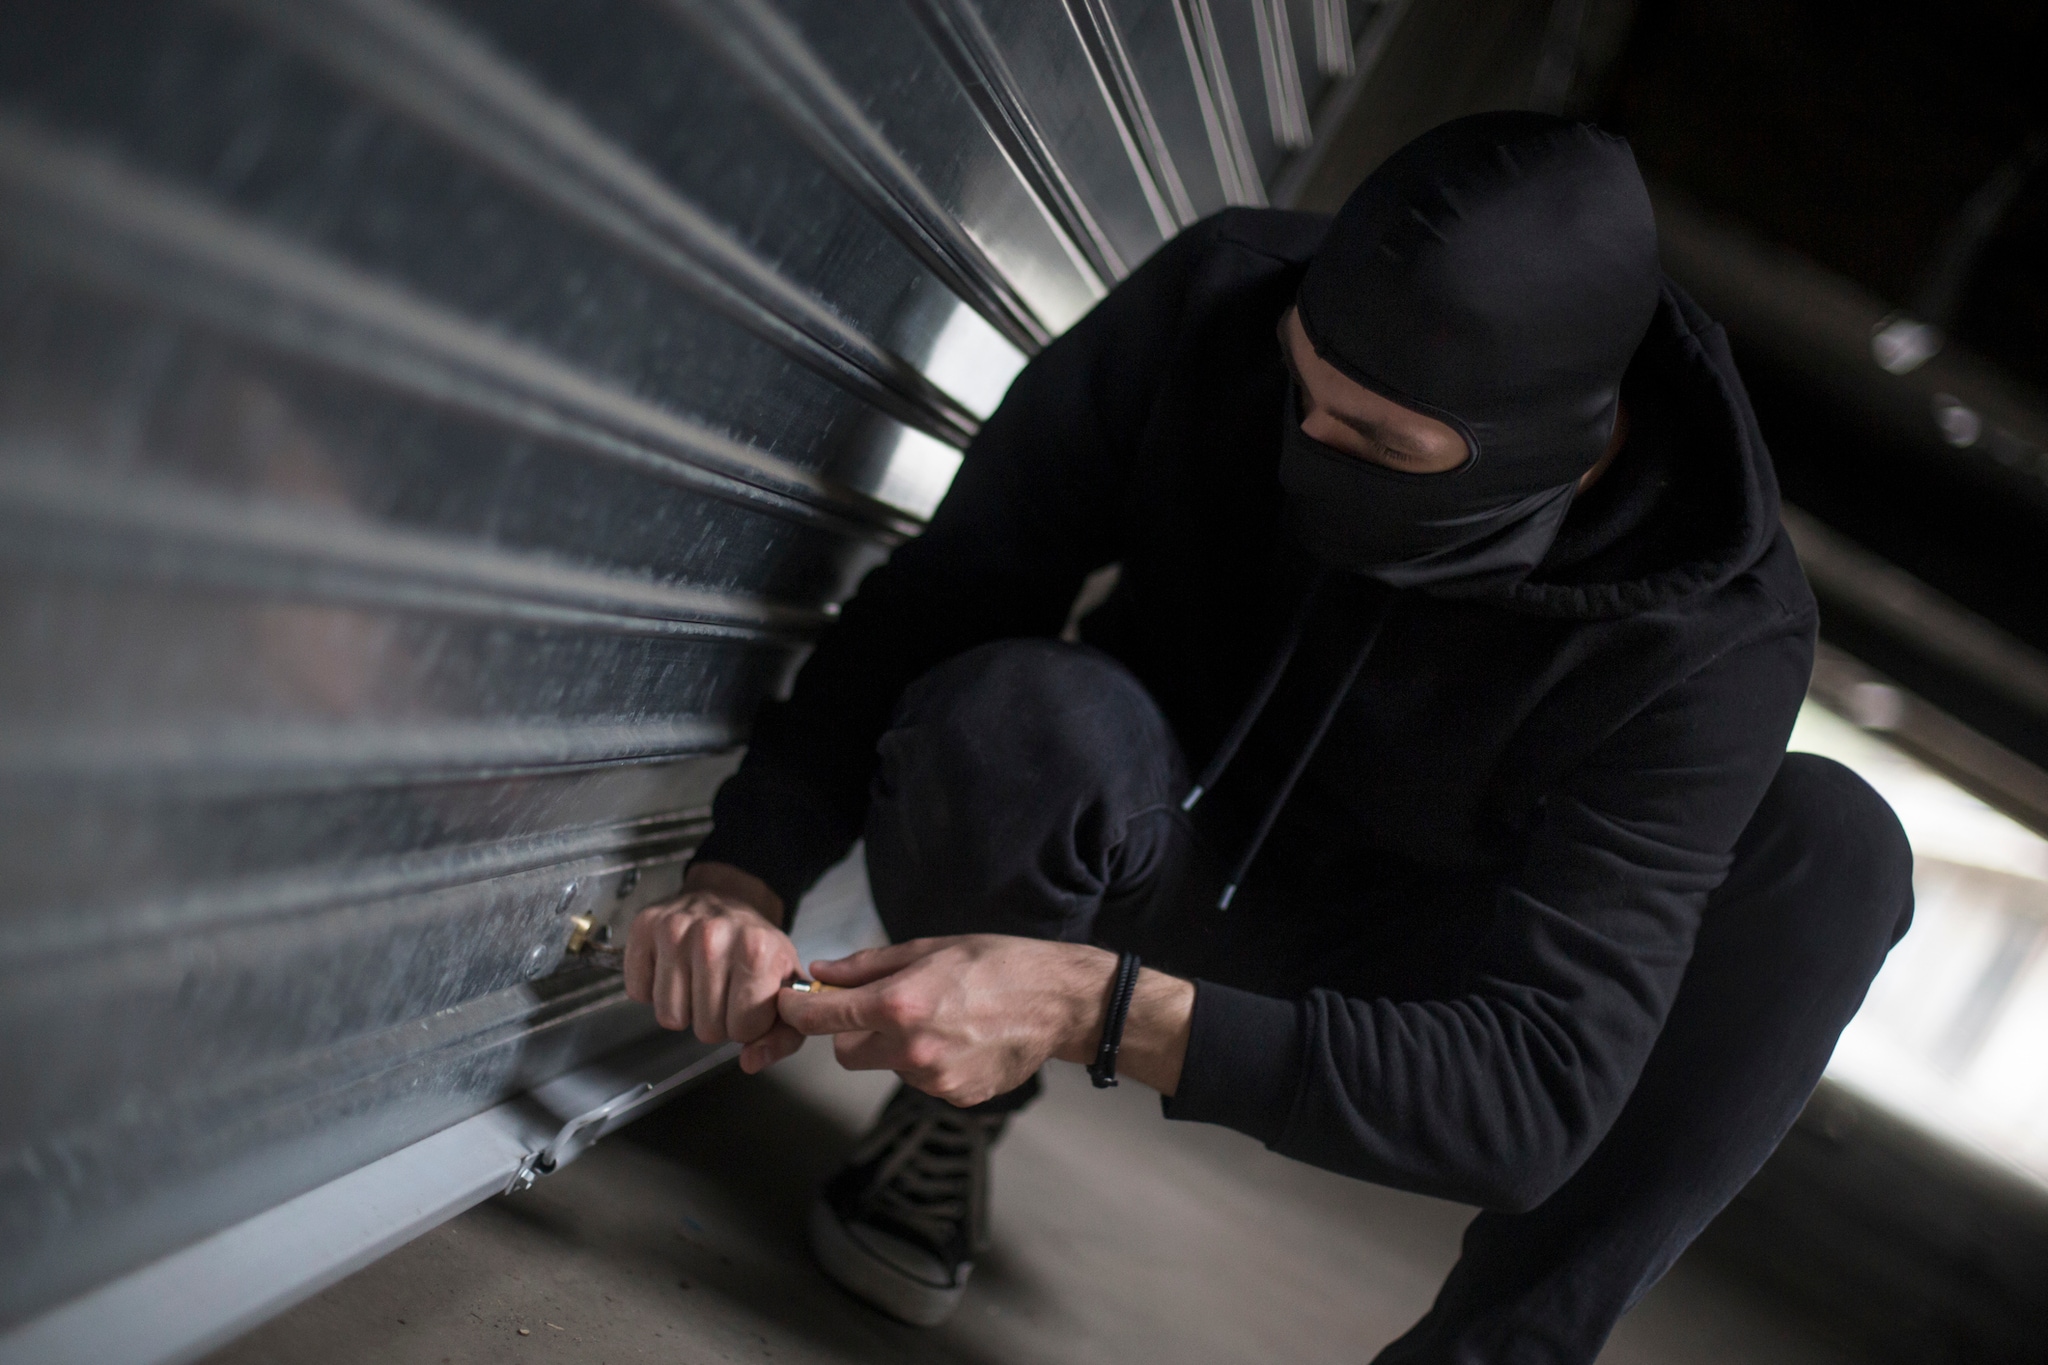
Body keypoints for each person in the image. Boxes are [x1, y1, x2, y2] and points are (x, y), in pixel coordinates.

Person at [623, 112, 1915, 1361]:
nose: (1307, 440)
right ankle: (955, 1105)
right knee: (1012, 718)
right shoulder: (1226, 295)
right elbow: (952, 587)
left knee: (1838, 849)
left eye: (1374, 440)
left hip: (1415, 977)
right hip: (1144, 833)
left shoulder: (1716, 635)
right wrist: (748, 864)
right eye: (1302, 385)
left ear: (1561, 453)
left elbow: (1534, 1094)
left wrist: (1097, 1008)